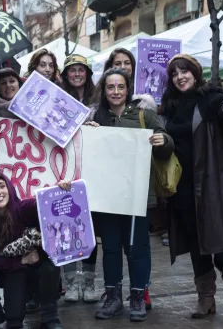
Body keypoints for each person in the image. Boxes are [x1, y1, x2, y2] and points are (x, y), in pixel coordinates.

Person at [84, 68, 174, 322]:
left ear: (128, 89)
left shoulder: (144, 115)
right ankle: (112, 296)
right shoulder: (96, 117)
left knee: (137, 249)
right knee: (111, 249)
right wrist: (88, 133)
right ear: (104, 90)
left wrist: (162, 141)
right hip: (107, 198)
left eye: (120, 87)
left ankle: (137, 297)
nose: (115, 92)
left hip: (136, 197)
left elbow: (168, 142)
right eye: (110, 87)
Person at [161, 55, 223, 318]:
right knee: (196, 242)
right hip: (183, 185)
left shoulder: (211, 99)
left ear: (195, 74)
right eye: (175, 73)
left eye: (185, 71)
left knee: (219, 239)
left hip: (211, 182)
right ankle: (205, 297)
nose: (180, 77)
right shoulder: (170, 105)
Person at [0, 170, 63, 329]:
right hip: (11, 273)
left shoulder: (22, 208)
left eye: (1, 186)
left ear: (9, 188)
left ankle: (49, 317)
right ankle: (11, 317)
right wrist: (21, 260)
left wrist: (57, 190)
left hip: (39, 270)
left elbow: (41, 203)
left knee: (51, 266)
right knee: (14, 321)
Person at [59, 54, 98, 303]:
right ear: (65, 74)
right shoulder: (58, 98)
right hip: (64, 171)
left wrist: (97, 127)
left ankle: (90, 282)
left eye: (80, 70)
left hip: (91, 171)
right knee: (66, 226)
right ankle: (72, 281)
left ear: (87, 73)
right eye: (72, 70)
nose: (76, 74)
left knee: (88, 228)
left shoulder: (98, 98)